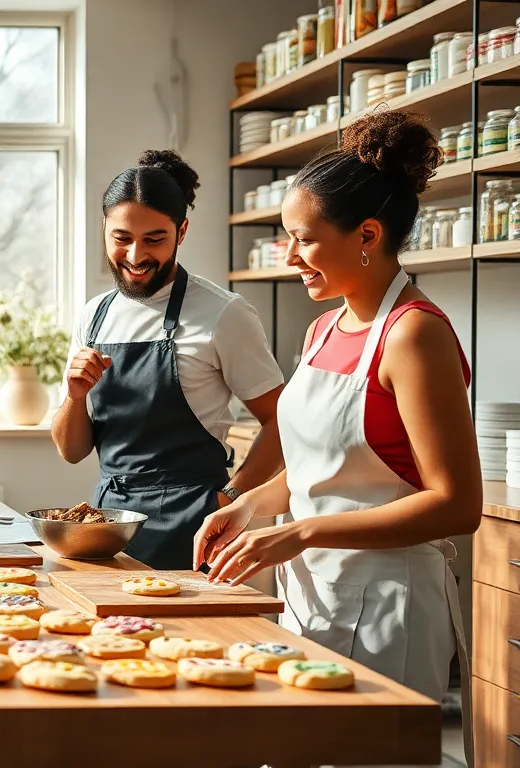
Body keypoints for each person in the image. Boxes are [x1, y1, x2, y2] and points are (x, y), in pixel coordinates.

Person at [194, 111, 479, 715]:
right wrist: (250, 507)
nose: (290, 255)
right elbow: (319, 466)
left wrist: (303, 531)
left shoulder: (415, 335)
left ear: (368, 236)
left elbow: (456, 503)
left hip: (387, 608)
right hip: (310, 591)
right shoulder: (324, 327)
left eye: (305, 238)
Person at [51, 150, 286, 570]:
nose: (136, 256)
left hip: (192, 523)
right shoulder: (95, 314)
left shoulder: (224, 313)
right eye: (122, 237)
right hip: (109, 523)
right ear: (104, 228)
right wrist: (73, 397)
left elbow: (281, 422)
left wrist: (231, 497)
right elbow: (71, 451)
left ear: (182, 231)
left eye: (154, 239)